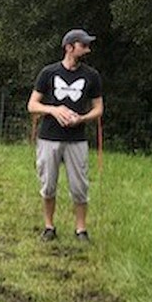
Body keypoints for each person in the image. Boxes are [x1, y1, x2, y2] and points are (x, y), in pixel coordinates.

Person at [27, 29, 104, 242]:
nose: (87, 48)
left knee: (80, 187)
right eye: (83, 44)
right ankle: (49, 226)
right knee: (48, 184)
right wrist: (54, 109)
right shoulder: (48, 73)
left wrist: (81, 118)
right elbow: (32, 105)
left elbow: (99, 109)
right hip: (48, 138)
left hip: (76, 140)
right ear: (69, 47)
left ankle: (81, 230)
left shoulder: (92, 76)